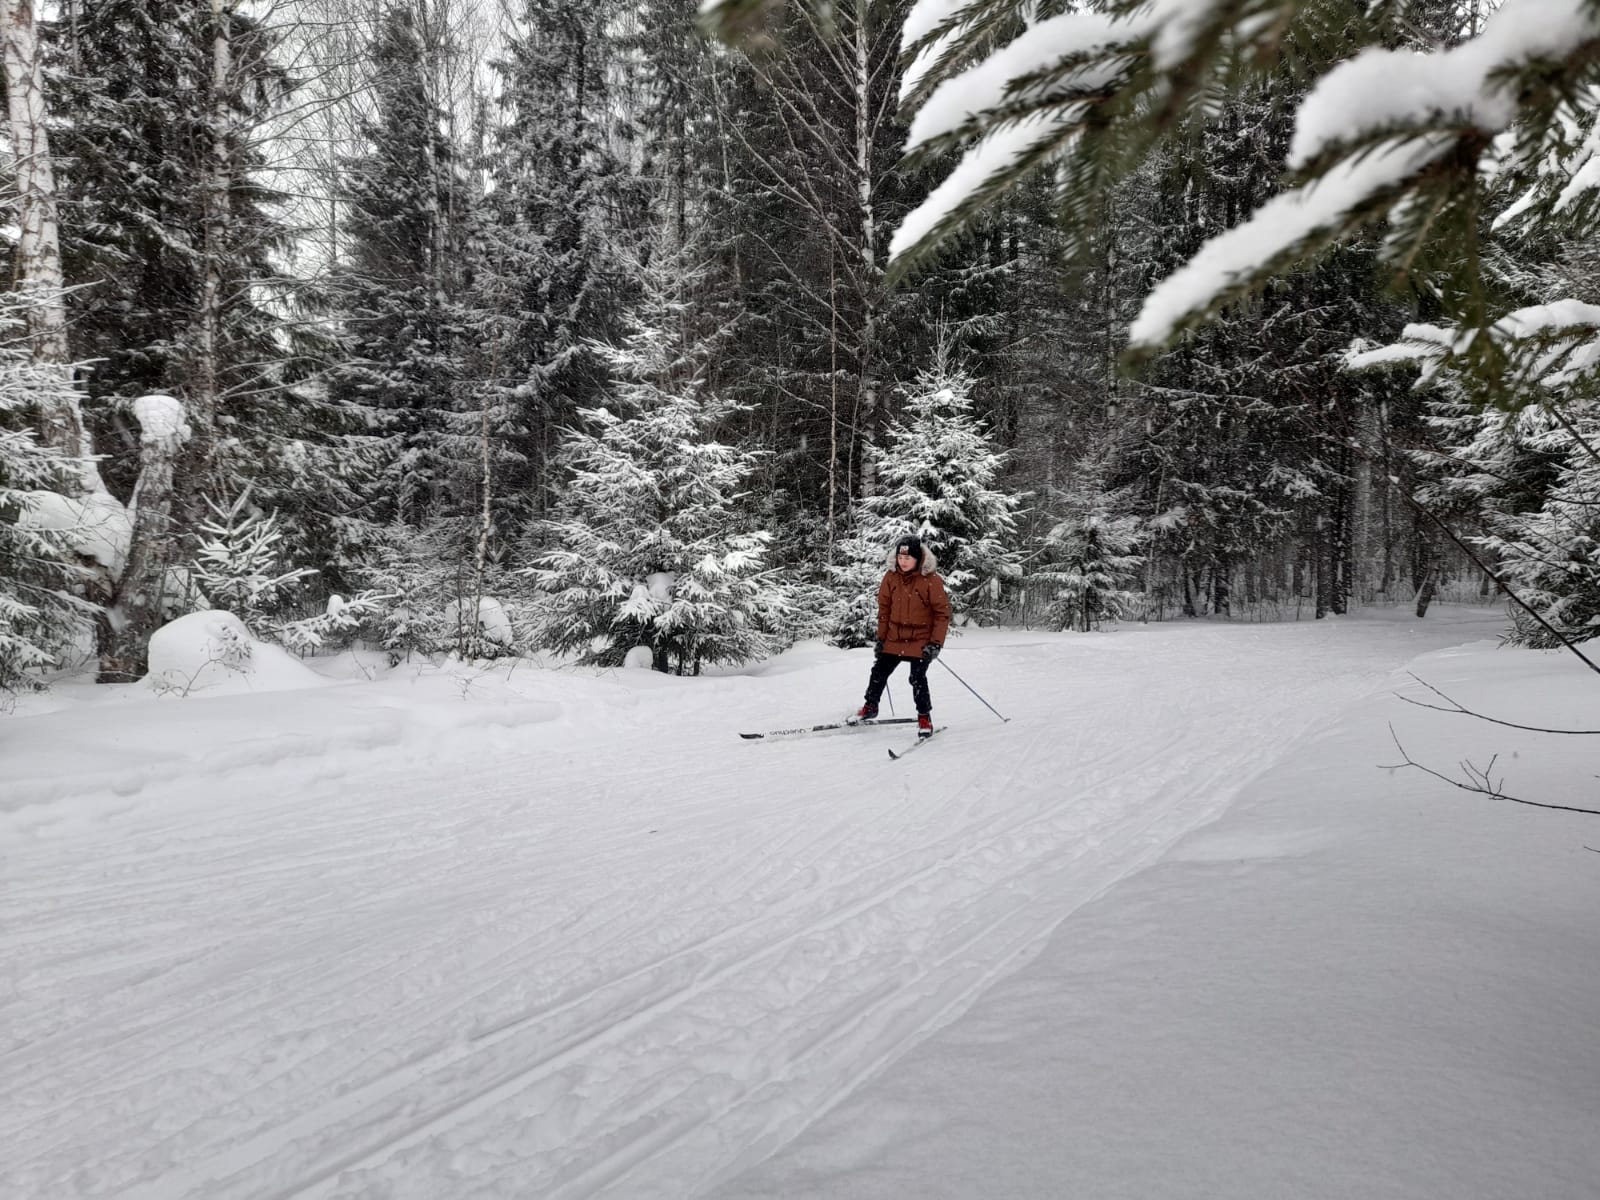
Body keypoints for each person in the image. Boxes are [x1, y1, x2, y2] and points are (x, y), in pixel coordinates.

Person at [850, 535, 951, 737]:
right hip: (895, 637)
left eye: (908, 558)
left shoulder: (931, 580)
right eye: (900, 557)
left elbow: (942, 614)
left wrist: (935, 643)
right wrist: (881, 638)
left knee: (917, 677)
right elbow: (884, 609)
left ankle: (924, 717)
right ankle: (870, 706)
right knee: (879, 671)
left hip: (922, 638)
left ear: (918, 559)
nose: (903, 562)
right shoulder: (891, 577)